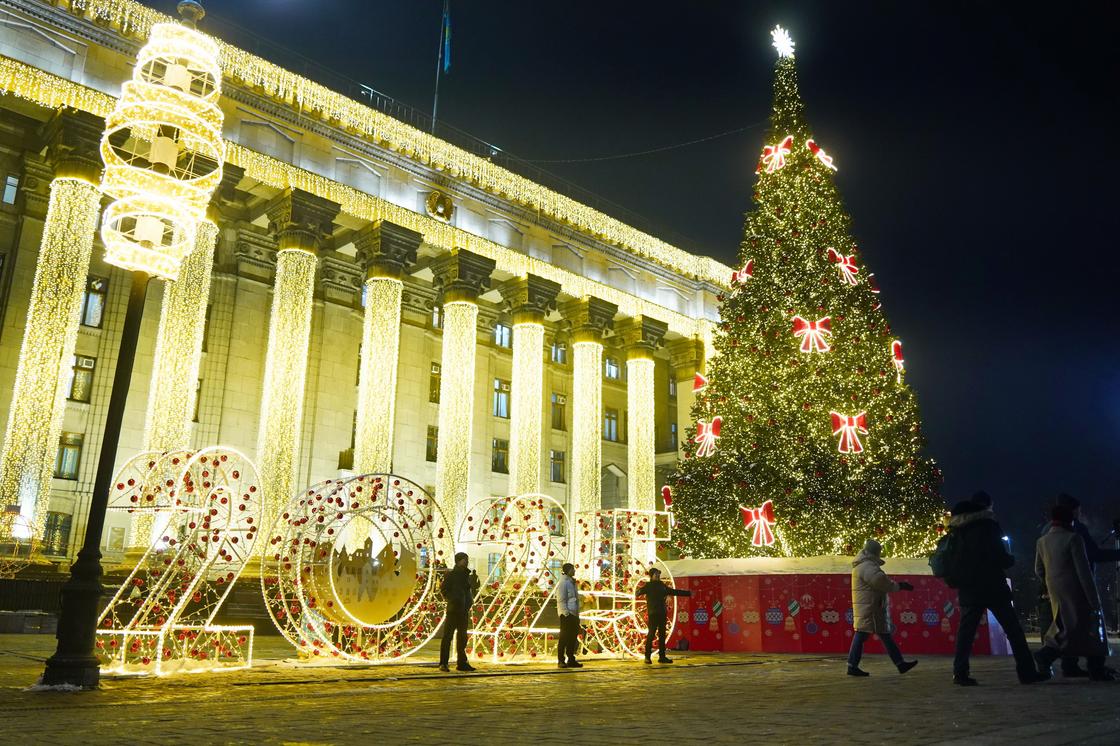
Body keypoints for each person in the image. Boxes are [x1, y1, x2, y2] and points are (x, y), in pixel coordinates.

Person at [949, 493, 1045, 685]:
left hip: (969, 587)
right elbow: (999, 556)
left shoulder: (957, 528)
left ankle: (960, 673)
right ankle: (1026, 672)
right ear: (987, 506)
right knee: (1013, 630)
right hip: (992, 585)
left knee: (966, 633)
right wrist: (1010, 559)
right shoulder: (988, 526)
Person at [1038, 493, 1120, 678]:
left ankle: (1069, 664)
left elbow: (1039, 568)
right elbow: (1085, 565)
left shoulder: (1044, 535)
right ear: (1072, 512)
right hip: (1077, 589)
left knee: (1068, 628)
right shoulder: (1075, 534)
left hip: (1056, 590)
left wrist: (1049, 584)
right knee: (1090, 627)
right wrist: (1093, 598)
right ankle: (1094, 668)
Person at [846, 539, 918, 677]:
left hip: (871, 606)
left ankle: (899, 663)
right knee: (864, 633)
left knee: (879, 634)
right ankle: (852, 665)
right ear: (875, 553)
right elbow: (880, 581)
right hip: (870, 607)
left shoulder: (864, 564)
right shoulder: (867, 566)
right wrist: (900, 586)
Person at [636, 566, 691, 664]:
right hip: (653, 614)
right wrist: (638, 591)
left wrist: (688, 593)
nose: (658, 576)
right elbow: (638, 592)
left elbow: (674, 592)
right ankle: (647, 657)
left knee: (662, 635)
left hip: (662, 613)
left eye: (658, 574)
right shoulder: (648, 586)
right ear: (651, 575)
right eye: (656, 574)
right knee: (651, 634)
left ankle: (662, 657)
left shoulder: (662, 585)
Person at [438, 552, 479, 673]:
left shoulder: (466, 575)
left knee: (462, 638)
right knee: (447, 637)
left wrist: (468, 602)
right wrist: (453, 599)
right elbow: (444, 589)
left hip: (463, 610)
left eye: (467, 559)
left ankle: (462, 662)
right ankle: (443, 663)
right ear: (459, 561)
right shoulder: (451, 575)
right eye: (465, 559)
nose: (467, 561)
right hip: (453, 610)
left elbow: (467, 590)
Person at [556, 562, 583, 668]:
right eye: (572, 569)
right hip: (567, 615)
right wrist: (566, 613)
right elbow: (561, 600)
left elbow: (574, 599)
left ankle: (571, 659)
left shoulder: (572, 582)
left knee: (572, 638)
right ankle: (561, 660)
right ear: (568, 570)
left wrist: (576, 614)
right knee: (564, 638)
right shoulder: (564, 583)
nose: (574, 571)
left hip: (574, 614)